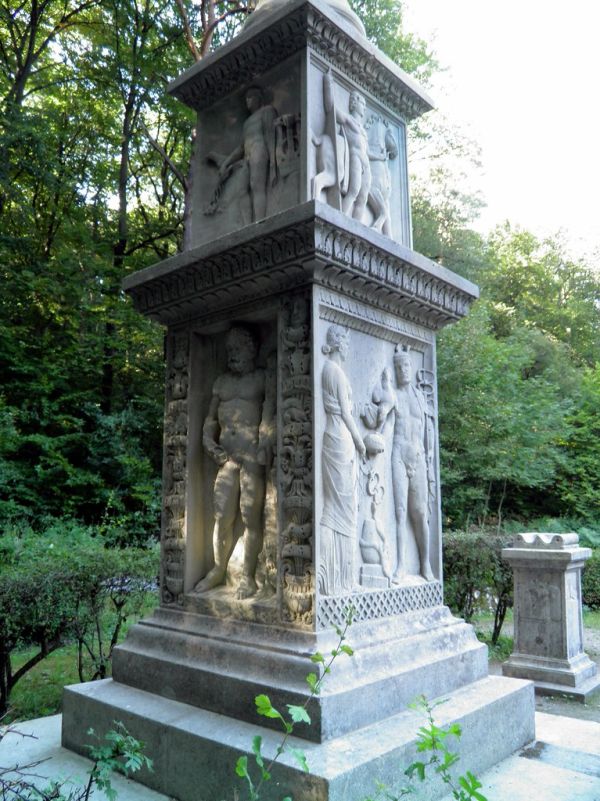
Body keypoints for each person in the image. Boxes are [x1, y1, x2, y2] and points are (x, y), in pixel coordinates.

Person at [195, 326, 273, 599]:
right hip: (226, 459)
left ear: (250, 349)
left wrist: (264, 442)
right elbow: (210, 420)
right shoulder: (221, 383)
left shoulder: (262, 379)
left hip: (251, 458)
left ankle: (248, 578)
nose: (232, 354)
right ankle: (218, 569)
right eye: (229, 350)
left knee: (251, 517)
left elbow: (269, 414)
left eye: (237, 348)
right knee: (222, 517)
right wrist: (209, 444)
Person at [319, 325, 366, 595]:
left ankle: (337, 578)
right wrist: (360, 443)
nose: (348, 347)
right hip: (340, 438)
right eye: (345, 343)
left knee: (338, 509)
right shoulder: (334, 371)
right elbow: (347, 415)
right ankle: (335, 579)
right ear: (337, 344)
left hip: (335, 438)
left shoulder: (328, 369)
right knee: (341, 511)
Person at [389, 345, 434, 582]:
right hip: (398, 453)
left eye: (405, 365)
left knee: (419, 512)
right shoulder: (393, 393)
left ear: (411, 366)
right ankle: (401, 566)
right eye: (398, 366)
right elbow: (380, 418)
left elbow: (429, 426)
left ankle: (425, 564)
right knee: (399, 512)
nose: (402, 370)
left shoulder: (419, 395)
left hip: (417, 455)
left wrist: (429, 455)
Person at [213, 86, 278, 222]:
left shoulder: (267, 111)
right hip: (247, 156)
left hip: (259, 150)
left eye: (250, 97)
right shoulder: (247, 122)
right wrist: (226, 163)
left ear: (258, 98)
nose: (247, 101)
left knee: (256, 186)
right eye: (246, 98)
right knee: (242, 190)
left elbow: (270, 134)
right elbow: (241, 147)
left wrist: (273, 159)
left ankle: (260, 221)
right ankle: (249, 226)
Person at [324, 71, 371, 221]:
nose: (364, 108)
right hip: (355, 156)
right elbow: (330, 108)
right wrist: (328, 85)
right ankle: (340, 221)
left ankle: (356, 229)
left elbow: (368, 151)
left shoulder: (363, 130)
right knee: (353, 191)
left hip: (366, 164)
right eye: (363, 104)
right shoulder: (349, 120)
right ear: (355, 103)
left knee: (363, 198)